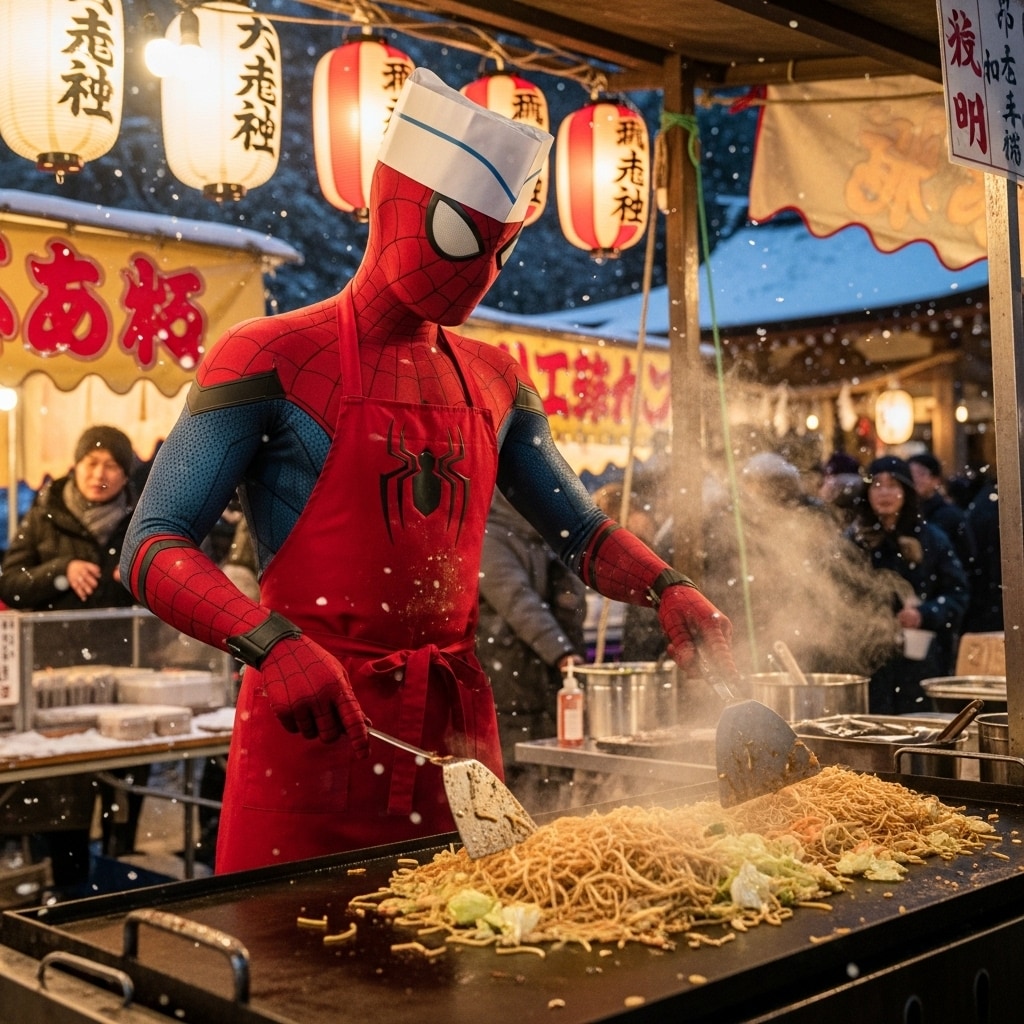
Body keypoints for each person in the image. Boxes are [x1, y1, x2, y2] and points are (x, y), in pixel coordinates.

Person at [121, 69, 736, 875]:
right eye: (458, 235)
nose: (480, 271)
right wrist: (270, 642)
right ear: (392, 204)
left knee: (468, 959)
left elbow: (579, 531)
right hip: (310, 727)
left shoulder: (497, 378)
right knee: (289, 973)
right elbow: (151, 544)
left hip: (456, 739)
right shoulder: (272, 357)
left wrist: (667, 585)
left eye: (501, 249)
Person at [0, 425, 140, 894]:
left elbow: (183, 569)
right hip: (60, 672)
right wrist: (60, 571)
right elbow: (11, 581)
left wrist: (141, 576)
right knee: (66, 785)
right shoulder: (46, 512)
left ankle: (121, 872)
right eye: (91, 463)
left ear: (126, 474)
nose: (100, 474)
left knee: (124, 780)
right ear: (76, 465)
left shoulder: (141, 517)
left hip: (128, 673)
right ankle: (67, 884)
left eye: (112, 465)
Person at [476, 490, 586, 808]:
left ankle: (547, 826)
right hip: (508, 675)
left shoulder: (539, 537)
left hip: (540, 676)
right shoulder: (490, 536)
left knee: (547, 764)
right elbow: (518, 602)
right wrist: (562, 653)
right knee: (517, 764)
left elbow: (568, 599)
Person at [844, 455, 970, 716]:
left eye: (893, 485)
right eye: (877, 485)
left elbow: (957, 593)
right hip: (865, 661)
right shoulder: (853, 541)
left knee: (917, 733)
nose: (884, 493)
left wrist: (925, 614)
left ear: (906, 491)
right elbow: (834, 596)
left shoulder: (932, 539)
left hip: (918, 664)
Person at [907, 451, 976, 575]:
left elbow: (967, 556)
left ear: (936, 480)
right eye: (910, 474)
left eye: (921, 473)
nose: (915, 479)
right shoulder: (905, 513)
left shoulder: (950, 515)